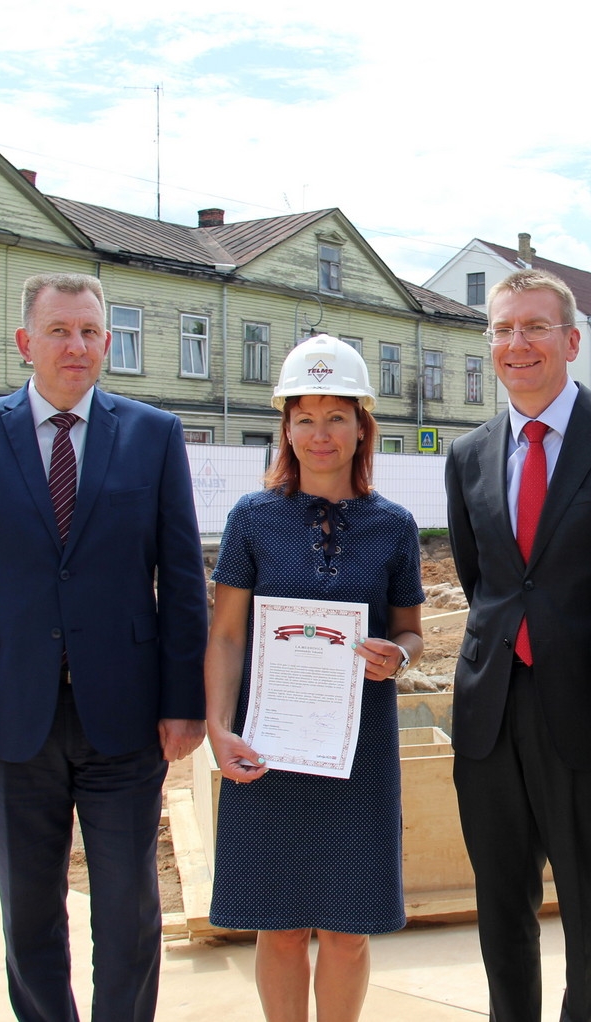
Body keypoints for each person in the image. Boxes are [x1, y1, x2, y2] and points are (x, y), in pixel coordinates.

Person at [0, 272, 208, 1021]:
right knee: (30, 913)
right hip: (8, 718)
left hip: (126, 718)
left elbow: (180, 577)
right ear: (24, 343)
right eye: (59, 331)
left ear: (107, 343)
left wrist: (183, 702)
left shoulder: (154, 435)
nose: (76, 346)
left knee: (129, 911)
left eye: (90, 332)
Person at [445, 268, 591, 1021]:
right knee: (501, 906)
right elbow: (485, 582)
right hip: (489, 714)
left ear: (572, 340)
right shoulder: (469, 452)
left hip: (587, 710)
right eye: (504, 330)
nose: (518, 344)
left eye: (535, 327)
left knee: (589, 907)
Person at [204, 334, 425, 1022]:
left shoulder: (394, 526)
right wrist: (218, 727)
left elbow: (410, 628)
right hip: (272, 746)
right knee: (280, 922)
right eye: (305, 417)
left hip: (357, 750)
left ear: (363, 427)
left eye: (337, 417)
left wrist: (402, 656)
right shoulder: (252, 518)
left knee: (347, 926)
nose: (320, 434)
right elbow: (228, 633)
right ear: (286, 427)